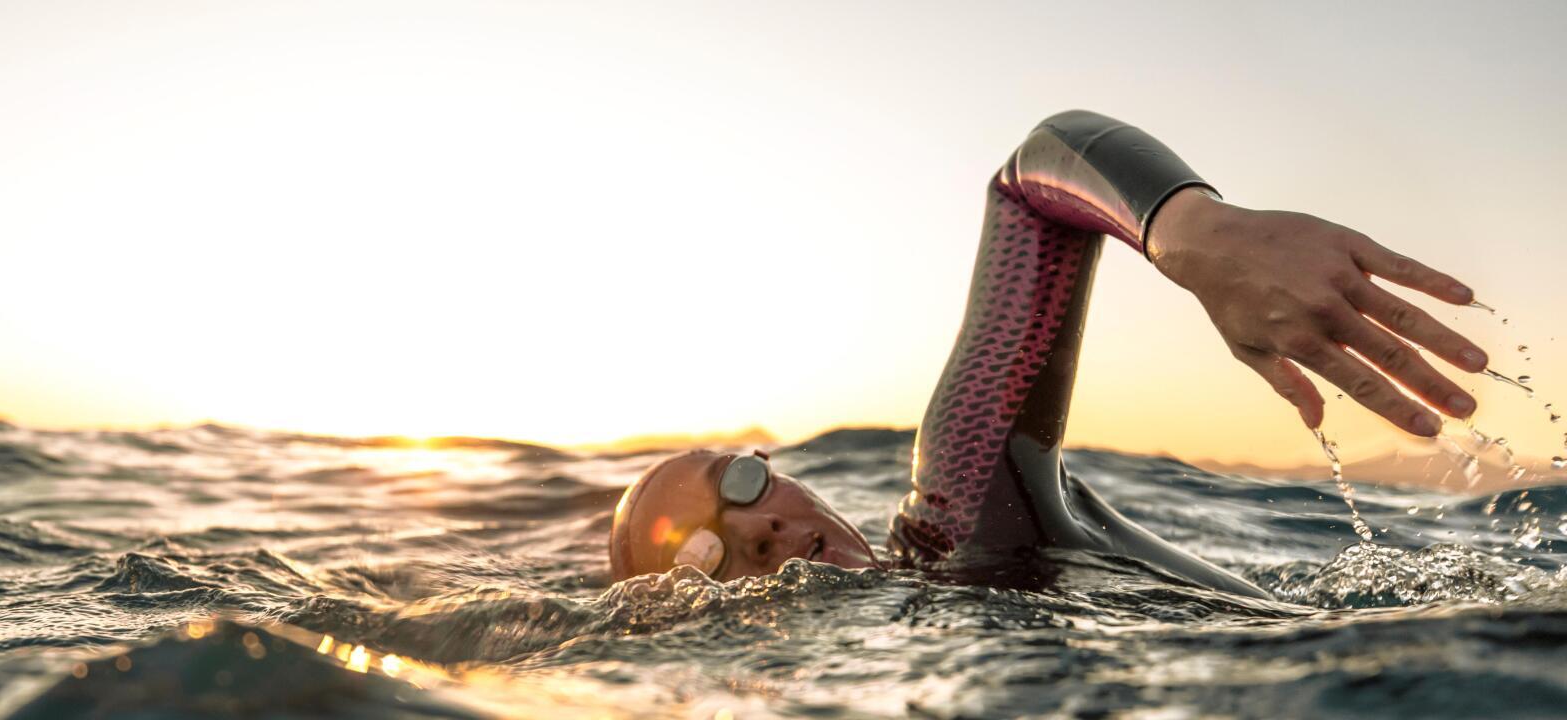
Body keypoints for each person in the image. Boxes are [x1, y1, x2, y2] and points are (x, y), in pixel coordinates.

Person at [607, 110, 1490, 598]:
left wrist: (1195, 232)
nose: (750, 528)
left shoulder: (958, 515)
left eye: (741, 483)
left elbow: (1033, 177)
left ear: (781, 476)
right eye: (698, 556)